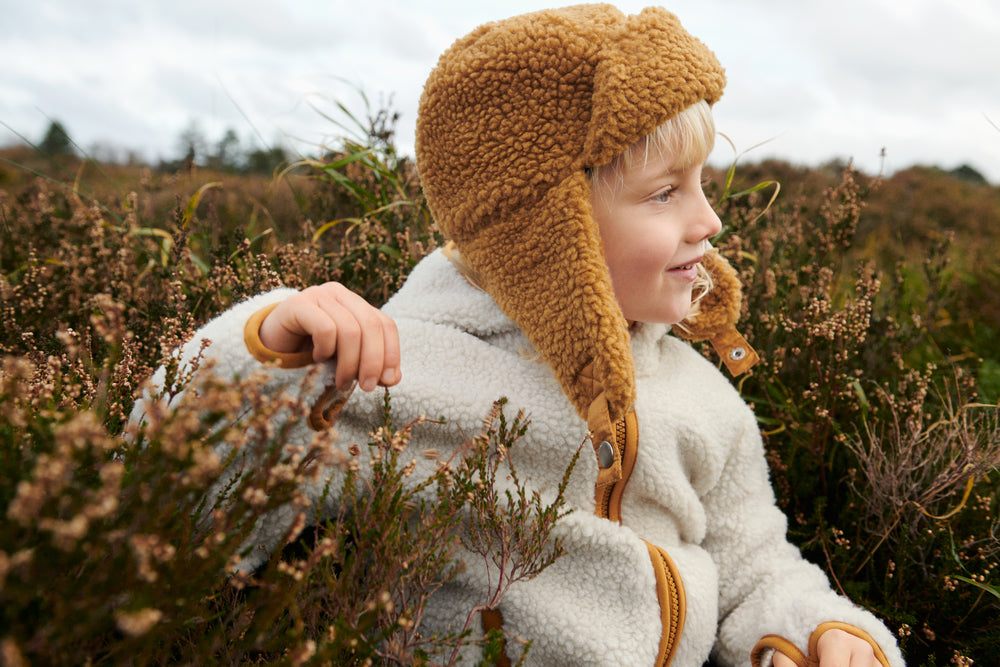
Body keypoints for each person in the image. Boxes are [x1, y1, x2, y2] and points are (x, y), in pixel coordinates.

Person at [132, 5, 906, 666]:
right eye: (666, 192)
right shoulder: (390, 372)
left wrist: (812, 627)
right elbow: (163, 501)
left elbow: (750, 563)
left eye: (702, 184)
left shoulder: (702, 399)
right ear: (547, 226)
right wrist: (264, 354)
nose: (710, 221)